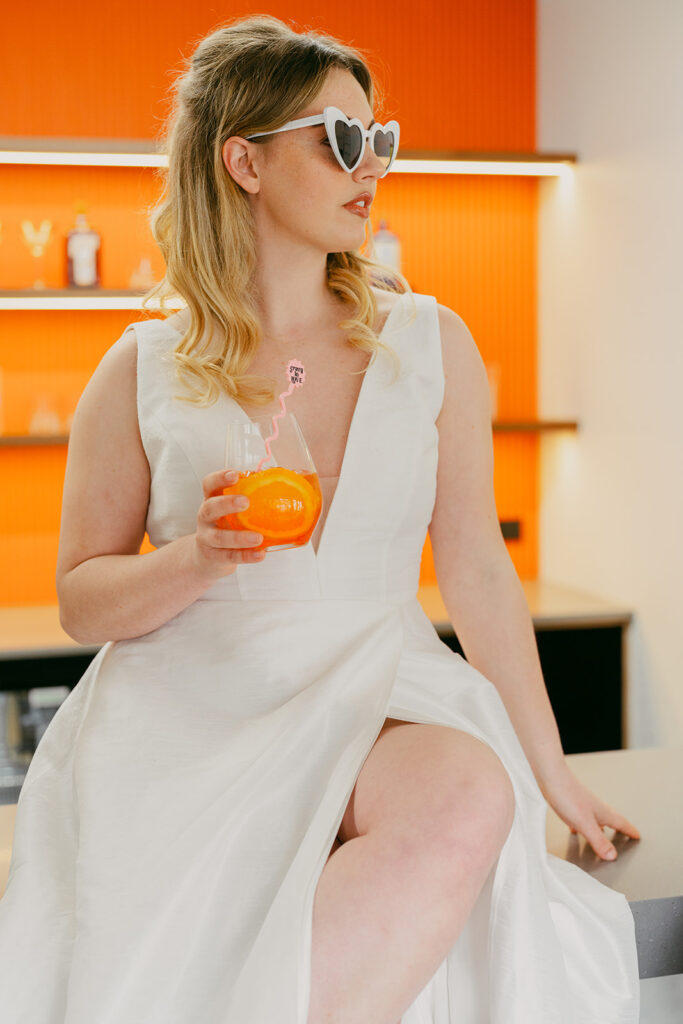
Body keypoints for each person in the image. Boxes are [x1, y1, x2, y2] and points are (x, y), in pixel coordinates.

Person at [0, 14, 641, 1024]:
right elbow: (81, 598)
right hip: (190, 706)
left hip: (376, 682)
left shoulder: (430, 342)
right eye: (339, 139)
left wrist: (549, 767)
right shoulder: (139, 368)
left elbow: (473, 568)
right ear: (243, 161)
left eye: (377, 138)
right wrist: (198, 558)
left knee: (470, 791)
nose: (369, 165)